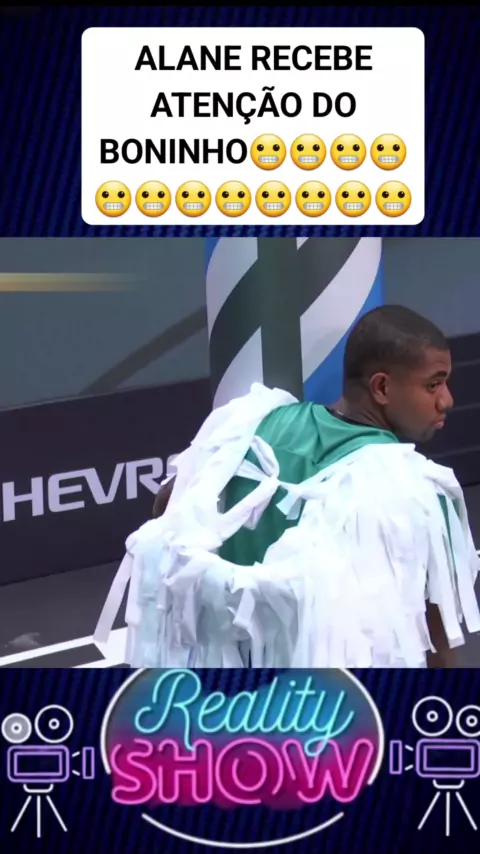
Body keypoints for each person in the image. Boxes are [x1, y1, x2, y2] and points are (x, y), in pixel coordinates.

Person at [96, 305, 480, 668]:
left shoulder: (251, 425)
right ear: (381, 387)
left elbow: (165, 507)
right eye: (433, 384)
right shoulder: (417, 491)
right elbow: (438, 642)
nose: (447, 400)